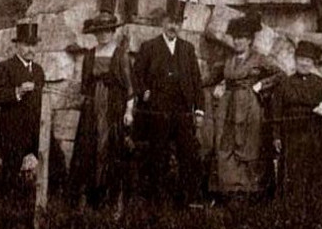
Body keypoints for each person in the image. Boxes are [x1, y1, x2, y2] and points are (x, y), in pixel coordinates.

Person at [133, 13, 205, 206]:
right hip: (158, 112)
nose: (174, 26)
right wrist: (144, 92)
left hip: (182, 112)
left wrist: (199, 110)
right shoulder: (149, 47)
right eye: (171, 22)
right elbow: (137, 75)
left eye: (177, 22)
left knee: (187, 155)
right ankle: (158, 201)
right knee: (158, 155)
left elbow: (197, 81)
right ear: (163, 22)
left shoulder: (187, 49)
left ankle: (186, 201)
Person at [69, 13, 134, 214]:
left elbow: (130, 87)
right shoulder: (89, 55)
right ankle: (87, 198)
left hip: (113, 108)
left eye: (107, 31)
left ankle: (111, 200)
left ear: (113, 32)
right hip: (92, 108)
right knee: (88, 147)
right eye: (99, 32)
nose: (103, 35)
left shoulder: (120, 54)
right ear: (95, 34)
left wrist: (129, 111)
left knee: (110, 149)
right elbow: (84, 85)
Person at [210, 15, 281, 197]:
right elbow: (212, 77)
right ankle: (229, 189)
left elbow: (280, 74)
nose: (238, 42)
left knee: (249, 143)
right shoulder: (228, 59)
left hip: (249, 105)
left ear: (249, 40)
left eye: (241, 38)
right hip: (228, 105)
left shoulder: (259, 59)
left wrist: (260, 85)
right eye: (235, 38)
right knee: (226, 142)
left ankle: (251, 190)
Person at [271, 40, 322, 220]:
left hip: (316, 134)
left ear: (313, 63)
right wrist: (276, 137)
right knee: (293, 172)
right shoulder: (285, 83)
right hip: (292, 134)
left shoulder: (321, 83)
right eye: (301, 59)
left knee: (316, 172)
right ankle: (292, 214)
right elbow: (276, 112)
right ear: (295, 60)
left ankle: (317, 214)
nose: (304, 63)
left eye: (308, 60)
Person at [0, 21, 45, 190]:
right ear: (17, 45)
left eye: (33, 45)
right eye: (27, 45)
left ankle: (52, 204)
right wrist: (17, 92)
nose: (31, 49)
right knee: (10, 174)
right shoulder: (4, 68)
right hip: (13, 129)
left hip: (36, 129)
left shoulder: (38, 71)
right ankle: (6, 209)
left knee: (55, 164)